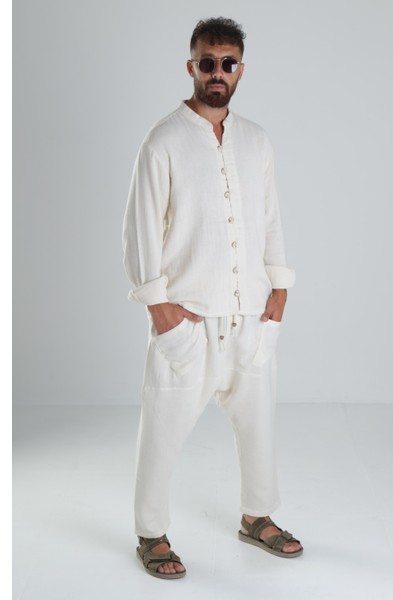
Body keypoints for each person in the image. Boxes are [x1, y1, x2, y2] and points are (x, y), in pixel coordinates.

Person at [122, 16, 303, 580]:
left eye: (228, 63)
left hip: (252, 317)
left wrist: (279, 289)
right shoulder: (163, 141)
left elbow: (269, 218)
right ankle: (151, 532)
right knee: (162, 429)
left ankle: (257, 517)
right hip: (190, 320)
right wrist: (160, 309)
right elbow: (140, 230)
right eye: (208, 62)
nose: (217, 72)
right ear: (191, 67)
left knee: (259, 426)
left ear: (241, 70)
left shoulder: (257, 141)